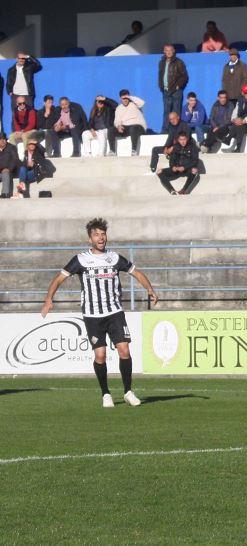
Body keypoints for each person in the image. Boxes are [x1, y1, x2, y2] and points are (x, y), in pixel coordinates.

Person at [41, 218, 158, 408]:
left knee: (124, 350)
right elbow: (59, 279)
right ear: (90, 239)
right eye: (96, 235)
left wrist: (150, 289)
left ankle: (128, 391)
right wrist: (48, 299)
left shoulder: (115, 258)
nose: (101, 237)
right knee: (100, 355)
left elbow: (136, 273)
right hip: (93, 315)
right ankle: (106, 394)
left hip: (115, 312)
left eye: (103, 234)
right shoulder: (80, 260)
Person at [157, 44, 188, 132]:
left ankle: (177, 130)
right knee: (166, 111)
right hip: (165, 90)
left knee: (176, 111)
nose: (168, 52)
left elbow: (184, 77)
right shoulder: (161, 62)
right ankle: (165, 130)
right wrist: (161, 86)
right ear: (164, 51)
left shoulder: (179, 62)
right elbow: (160, 75)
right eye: (166, 50)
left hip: (176, 91)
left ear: (173, 51)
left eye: (170, 50)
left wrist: (178, 86)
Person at [6, 52, 43, 121]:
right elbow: (8, 82)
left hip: (27, 95)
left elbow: (38, 64)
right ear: (17, 59)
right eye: (20, 58)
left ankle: (30, 129)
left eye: (23, 58)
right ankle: (16, 128)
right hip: (15, 95)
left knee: (30, 115)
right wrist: (9, 92)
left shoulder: (29, 68)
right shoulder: (11, 70)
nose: (22, 60)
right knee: (15, 116)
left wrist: (28, 56)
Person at [113, 90, 146, 156]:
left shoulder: (135, 104)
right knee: (111, 130)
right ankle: (112, 151)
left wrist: (130, 97)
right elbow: (117, 120)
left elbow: (142, 103)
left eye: (126, 98)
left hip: (138, 127)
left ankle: (134, 150)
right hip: (126, 128)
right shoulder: (119, 108)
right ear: (120, 99)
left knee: (133, 128)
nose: (125, 100)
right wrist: (118, 126)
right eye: (123, 98)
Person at [0, 133, 19, 199]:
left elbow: (15, 159)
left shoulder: (11, 147)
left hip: (9, 171)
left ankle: (4, 194)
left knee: (5, 173)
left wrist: (9, 169)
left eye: (4, 139)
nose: (2, 141)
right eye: (0, 140)